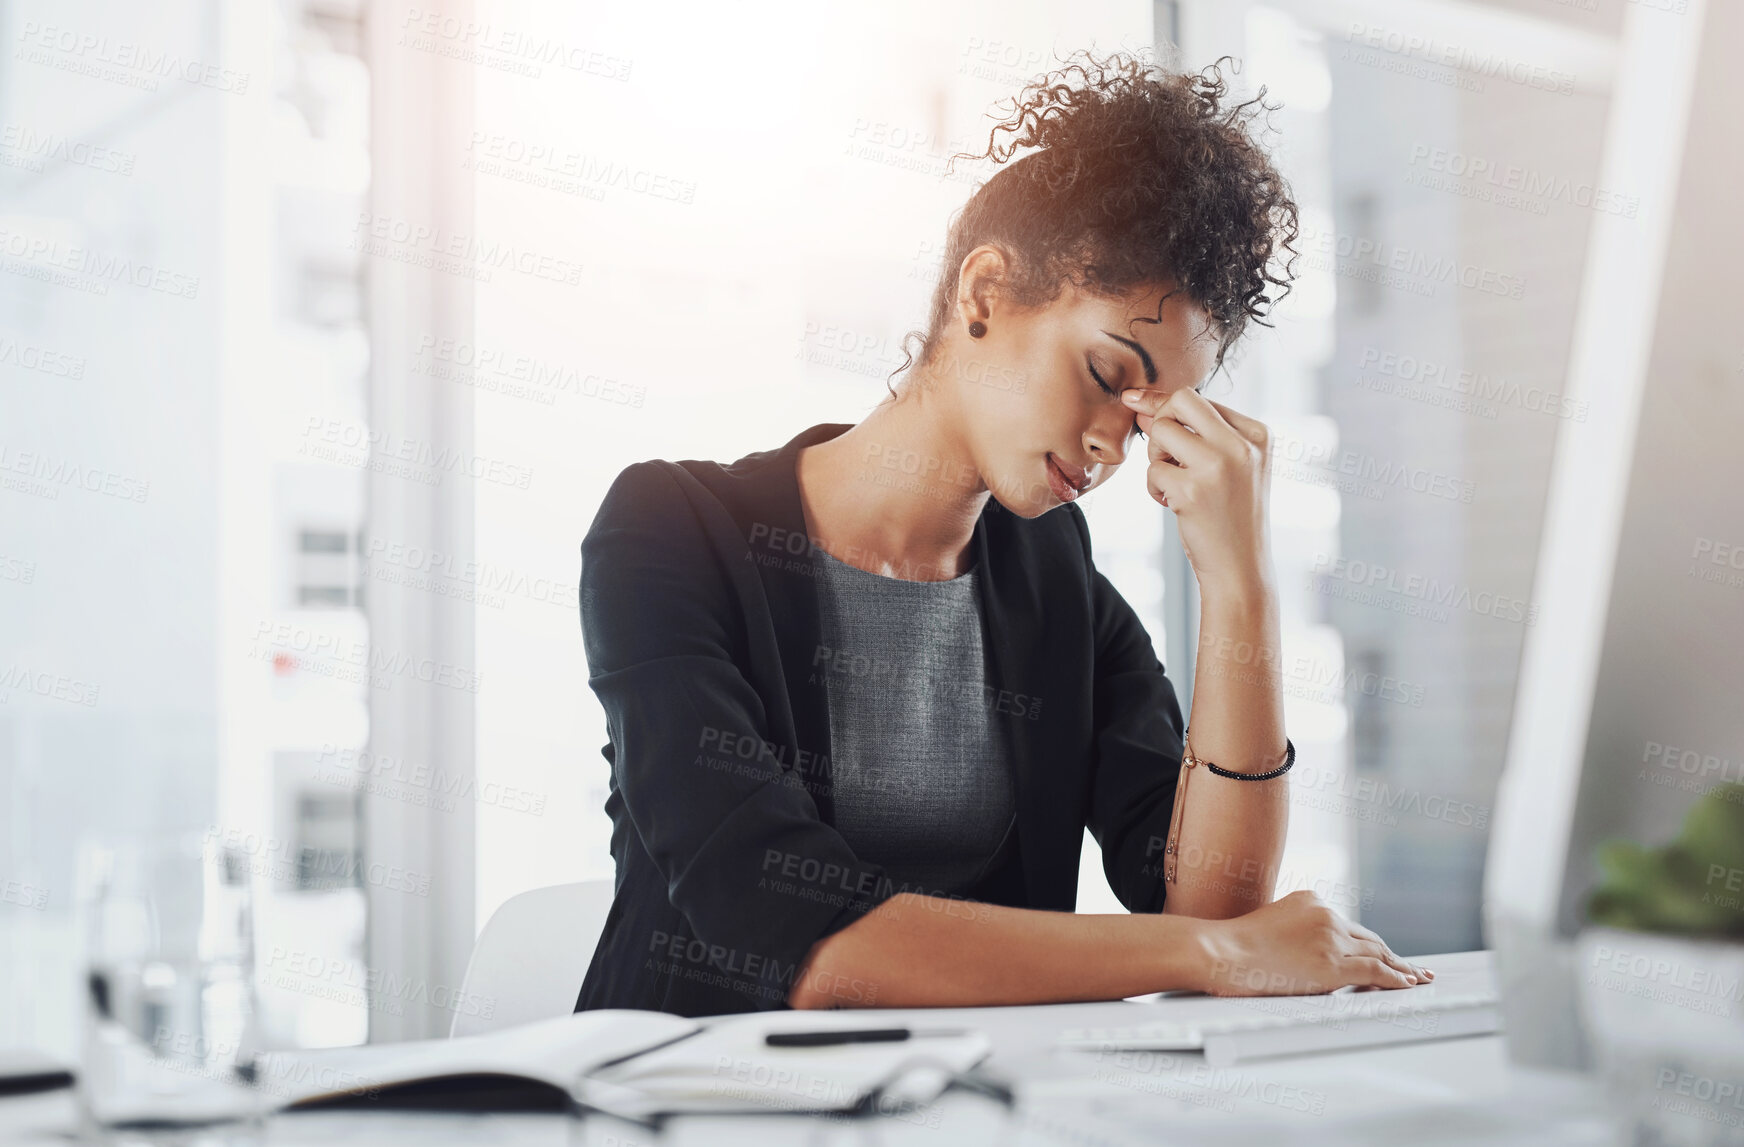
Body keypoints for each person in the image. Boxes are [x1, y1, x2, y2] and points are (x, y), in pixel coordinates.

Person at [576, 51, 1431, 1018]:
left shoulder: (1057, 583)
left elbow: (1208, 899)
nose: (1116, 444)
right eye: (1112, 374)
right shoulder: (668, 534)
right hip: (685, 1112)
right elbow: (800, 944)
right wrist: (1213, 952)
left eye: (1151, 416)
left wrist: (1243, 589)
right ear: (985, 294)